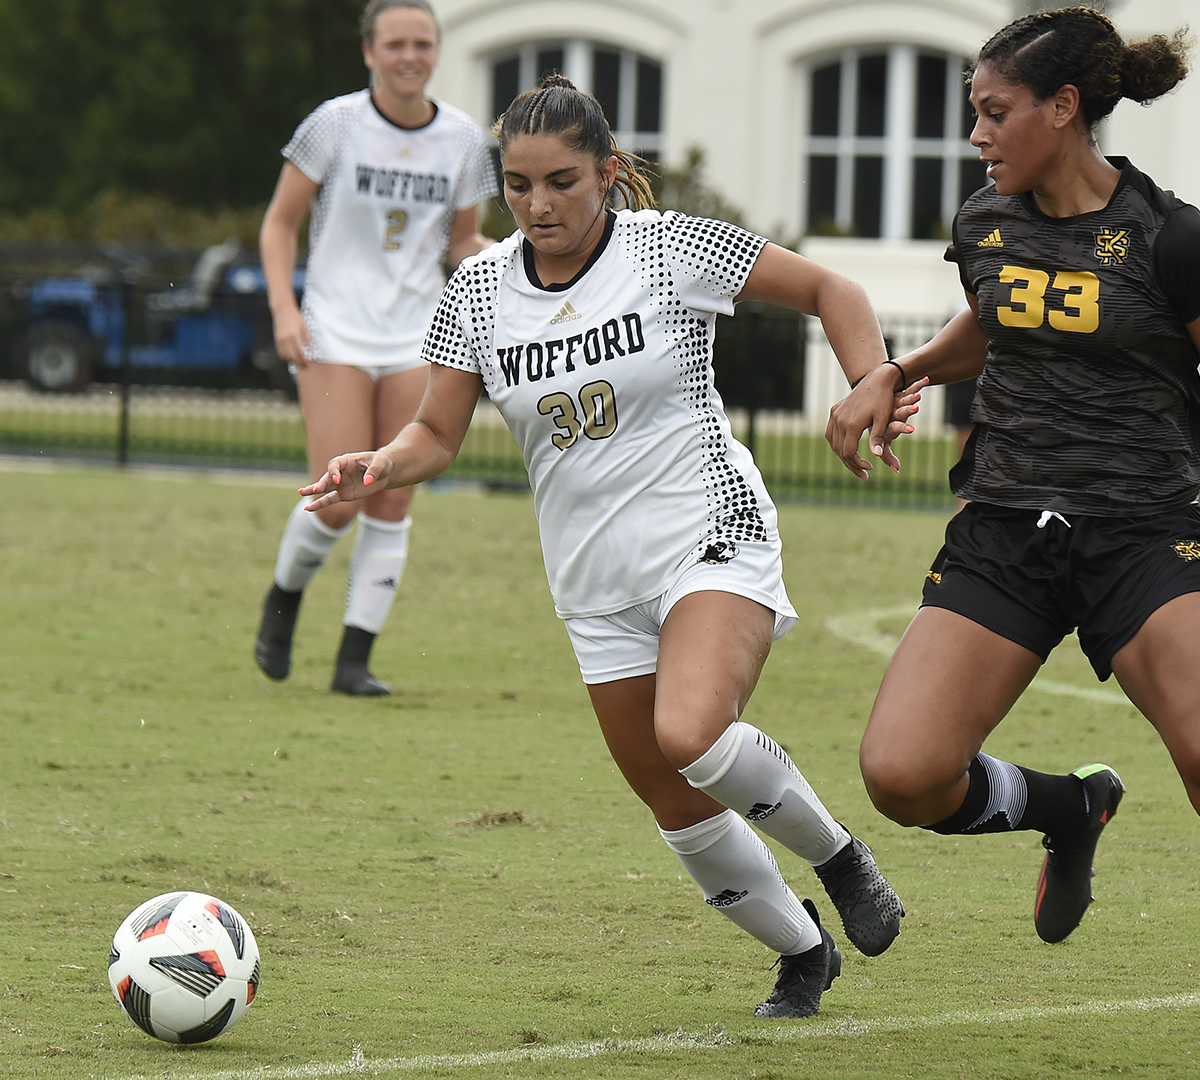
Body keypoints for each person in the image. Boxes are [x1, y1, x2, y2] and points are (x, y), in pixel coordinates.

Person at [844, 9, 1200, 1079]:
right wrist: (901, 370)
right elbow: (994, 318)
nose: (978, 133)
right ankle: (1072, 805)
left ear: (1065, 110)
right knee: (903, 775)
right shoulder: (985, 219)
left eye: (994, 111)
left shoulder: (1175, 240)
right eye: (974, 112)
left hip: (1144, 538)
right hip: (1006, 529)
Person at [301, 75, 915, 1018]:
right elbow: (435, 433)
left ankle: (840, 857)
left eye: (562, 182)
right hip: (592, 578)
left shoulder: (671, 247)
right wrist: (378, 466)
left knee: (692, 734)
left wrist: (871, 379)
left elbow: (833, 289)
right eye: (517, 184)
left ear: (609, 174)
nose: (539, 205)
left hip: (710, 533)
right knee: (674, 800)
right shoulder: (476, 290)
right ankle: (802, 950)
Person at [254, 0, 495, 695]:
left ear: (437, 52)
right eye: (395, 44)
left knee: (391, 499)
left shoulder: (462, 138)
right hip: (335, 329)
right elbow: (279, 225)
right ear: (369, 53)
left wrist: (519, 256)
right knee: (340, 497)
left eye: (421, 42)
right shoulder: (334, 124)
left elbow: (459, 243)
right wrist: (284, 309)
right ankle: (282, 603)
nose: (409, 55)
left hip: (417, 335)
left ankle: (353, 660)